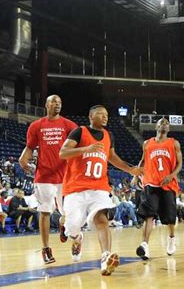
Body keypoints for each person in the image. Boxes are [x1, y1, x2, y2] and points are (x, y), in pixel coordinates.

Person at [59, 105, 141, 276]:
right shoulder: (79, 132)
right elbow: (63, 153)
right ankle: (77, 238)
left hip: (99, 187)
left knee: (102, 219)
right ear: (90, 116)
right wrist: (85, 149)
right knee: (72, 227)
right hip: (75, 188)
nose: (105, 117)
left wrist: (130, 169)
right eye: (100, 114)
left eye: (106, 115)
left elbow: (112, 158)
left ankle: (105, 257)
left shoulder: (109, 135)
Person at [19, 94, 77, 264]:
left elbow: (79, 145)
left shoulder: (69, 125)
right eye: (54, 101)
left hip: (65, 176)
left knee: (69, 214)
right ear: (46, 105)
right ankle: (46, 249)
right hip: (43, 176)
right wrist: (23, 159)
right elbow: (29, 148)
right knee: (44, 212)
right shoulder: (36, 126)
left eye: (59, 102)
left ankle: (66, 227)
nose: (57, 104)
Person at [135, 118, 183, 260]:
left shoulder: (174, 143)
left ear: (169, 129)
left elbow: (180, 163)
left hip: (168, 184)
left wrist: (172, 175)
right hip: (151, 183)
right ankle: (144, 245)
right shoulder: (147, 143)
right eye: (162, 123)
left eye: (167, 124)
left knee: (169, 217)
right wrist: (136, 174)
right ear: (156, 126)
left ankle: (172, 238)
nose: (164, 125)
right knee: (149, 214)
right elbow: (143, 160)